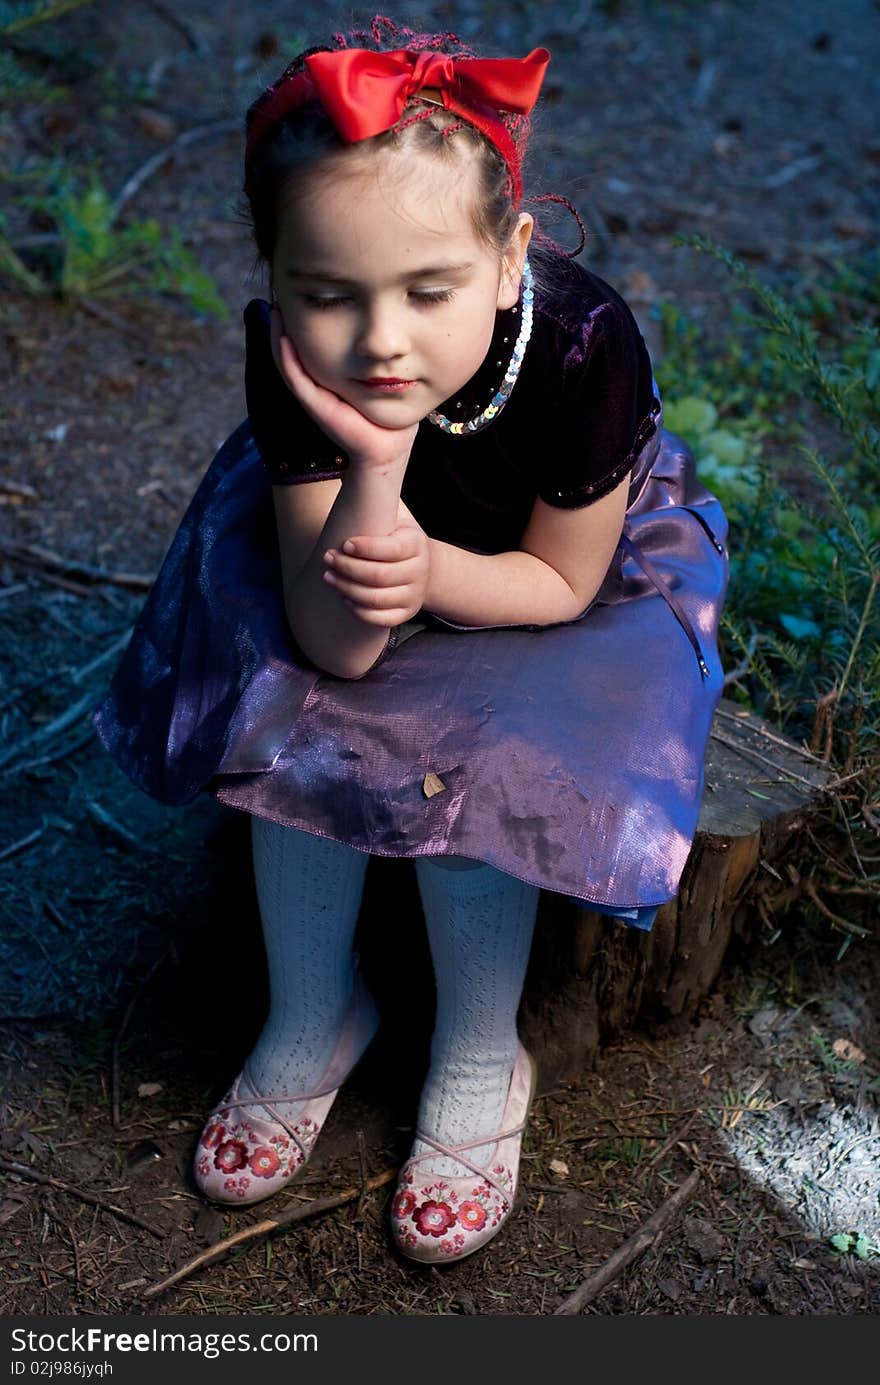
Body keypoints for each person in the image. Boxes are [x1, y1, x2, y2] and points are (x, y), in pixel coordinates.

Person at [92, 17, 729, 1266]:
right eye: (329, 295)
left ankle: (482, 1050)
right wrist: (377, 471)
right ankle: (313, 1010)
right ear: (277, 279)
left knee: (477, 773)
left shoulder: (584, 344)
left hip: (547, 582)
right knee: (286, 740)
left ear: (507, 260)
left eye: (428, 291)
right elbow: (340, 650)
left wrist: (431, 564)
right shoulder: (301, 366)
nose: (379, 340)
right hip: (352, 567)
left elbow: (559, 579)